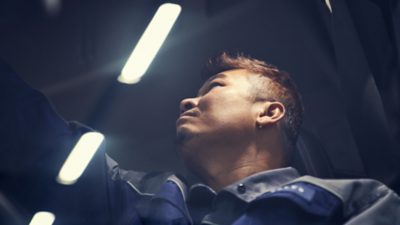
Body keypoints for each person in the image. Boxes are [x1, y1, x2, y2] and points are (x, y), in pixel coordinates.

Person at [1, 53, 399, 225]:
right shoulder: (145, 200)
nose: (188, 98)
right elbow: (34, 135)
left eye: (215, 86)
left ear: (268, 112)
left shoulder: (352, 199)